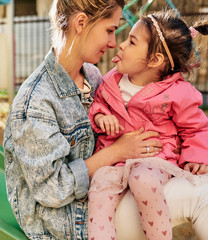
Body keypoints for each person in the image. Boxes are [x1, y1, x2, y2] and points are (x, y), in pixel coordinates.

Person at [4, 0, 208, 239]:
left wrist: (184, 155)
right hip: (77, 217)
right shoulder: (36, 102)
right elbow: (52, 190)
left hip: (122, 187)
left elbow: (183, 121)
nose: (114, 43)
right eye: (110, 30)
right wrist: (116, 153)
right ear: (81, 23)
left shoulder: (92, 75)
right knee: (203, 195)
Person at [87, 11, 208, 240]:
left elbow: (195, 127)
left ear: (154, 61)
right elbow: (98, 104)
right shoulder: (111, 81)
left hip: (154, 159)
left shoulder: (176, 92)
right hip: (115, 161)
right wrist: (102, 117)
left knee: (143, 179)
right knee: (99, 192)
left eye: (132, 41)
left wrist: (198, 158)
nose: (121, 45)